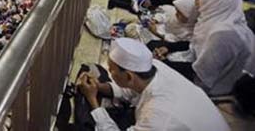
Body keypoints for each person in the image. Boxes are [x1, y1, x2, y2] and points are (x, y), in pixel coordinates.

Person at [77, 37, 229, 131]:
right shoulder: (154, 66)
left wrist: (93, 101)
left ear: (129, 75)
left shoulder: (159, 117)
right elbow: (131, 89)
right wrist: (100, 87)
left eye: (111, 70)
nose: (109, 72)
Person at [191, 0, 255, 95]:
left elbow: (204, 76)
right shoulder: (222, 21)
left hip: (217, 93)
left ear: (216, 1)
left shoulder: (223, 33)